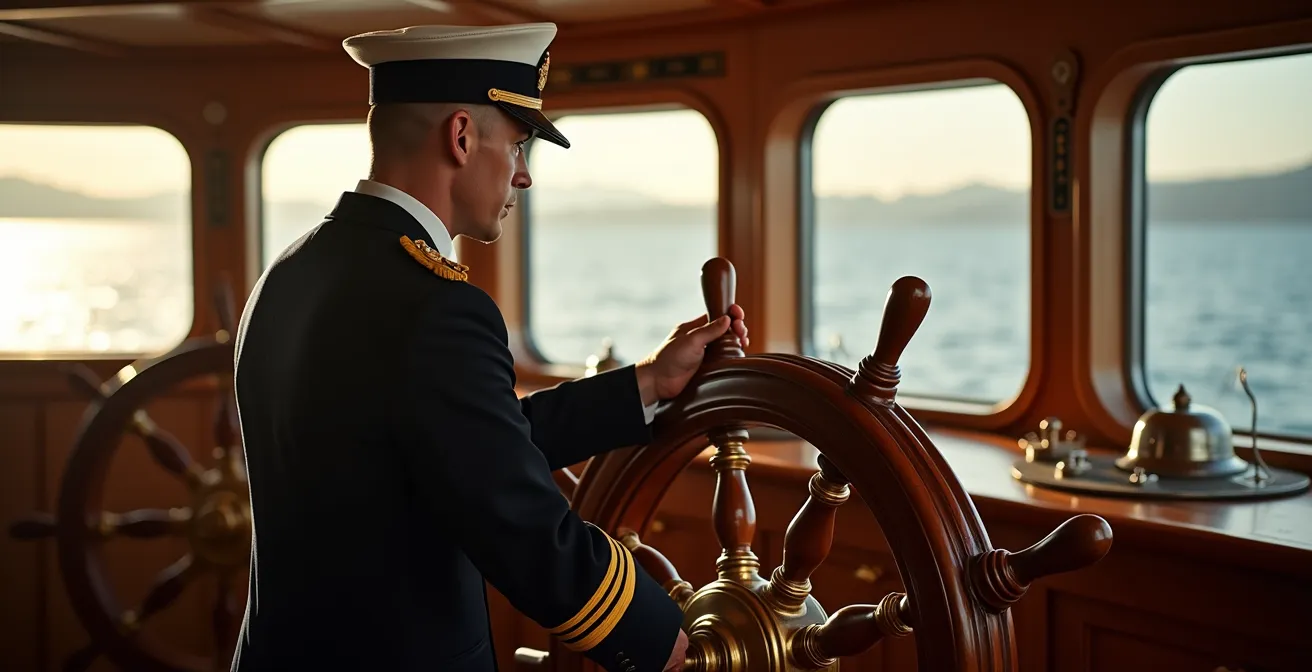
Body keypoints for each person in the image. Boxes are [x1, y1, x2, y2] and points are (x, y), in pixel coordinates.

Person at [229, 21, 749, 672]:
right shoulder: (435, 304)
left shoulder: (289, 271)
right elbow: (518, 521)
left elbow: (461, 442)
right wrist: (654, 636)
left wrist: (646, 383)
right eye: (519, 144)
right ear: (462, 136)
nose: (523, 176)